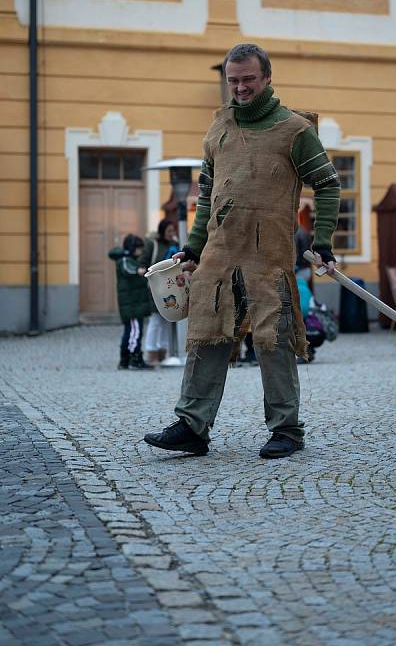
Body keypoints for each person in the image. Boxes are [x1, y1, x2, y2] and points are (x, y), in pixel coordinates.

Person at [144, 43, 340, 459]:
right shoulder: (218, 129)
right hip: (219, 252)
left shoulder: (295, 130)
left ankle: (287, 430)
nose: (241, 87)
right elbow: (207, 195)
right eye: (234, 80)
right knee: (205, 335)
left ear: (267, 78)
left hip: (269, 255)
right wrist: (193, 247)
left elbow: (328, 185)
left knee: (274, 340)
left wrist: (323, 241)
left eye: (248, 79)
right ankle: (192, 426)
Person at [108, 234, 154, 371]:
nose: (140, 251)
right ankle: (133, 358)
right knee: (135, 332)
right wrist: (138, 271)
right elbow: (129, 270)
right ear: (132, 248)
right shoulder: (124, 260)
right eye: (139, 248)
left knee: (133, 331)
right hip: (131, 305)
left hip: (134, 304)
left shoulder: (130, 259)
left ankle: (126, 360)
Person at [140, 218, 178, 366]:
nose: (171, 233)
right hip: (155, 288)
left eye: (173, 231)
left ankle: (163, 351)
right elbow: (143, 261)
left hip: (171, 287)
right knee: (155, 320)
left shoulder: (174, 245)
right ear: (162, 231)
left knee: (167, 319)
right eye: (169, 231)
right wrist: (142, 270)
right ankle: (151, 352)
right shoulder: (152, 244)